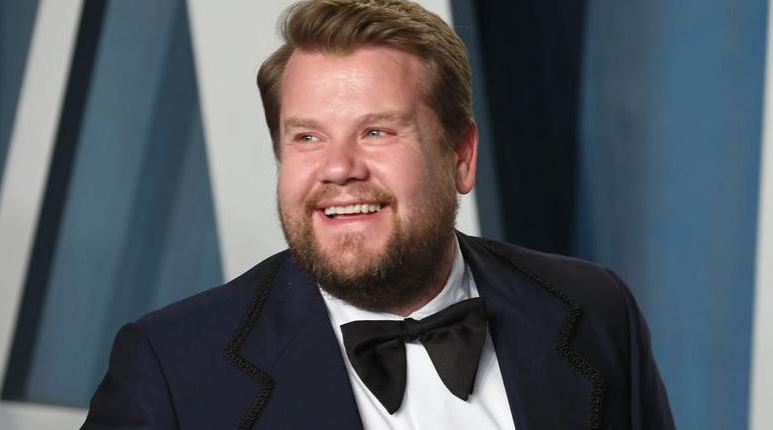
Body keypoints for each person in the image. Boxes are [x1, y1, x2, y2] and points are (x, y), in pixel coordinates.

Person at [82, 0, 674, 429]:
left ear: (461, 157)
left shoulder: (595, 312)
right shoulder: (174, 369)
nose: (338, 168)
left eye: (376, 130)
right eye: (308, 137)